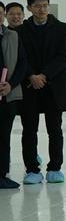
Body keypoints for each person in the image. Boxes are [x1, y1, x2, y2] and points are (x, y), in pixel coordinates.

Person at [18, 0, 66, 185]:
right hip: (29, 86)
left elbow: (63, 56)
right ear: (29, 8)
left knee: (55, 129)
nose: (42, 9)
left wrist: (43, 75)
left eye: (45, 6)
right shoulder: (21, 31)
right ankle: (32, 170)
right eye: (37, 6)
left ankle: (55, 168)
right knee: (29, 130)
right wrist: (31, 75)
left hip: (53, 86)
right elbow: (20, 57)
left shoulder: (61, 28)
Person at [0, 17, 26, 189]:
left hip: (7, 94)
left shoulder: (13, 36)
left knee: (3, 137)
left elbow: (22, 63)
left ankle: (2, 175)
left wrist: (11, 84)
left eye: (0, 13)